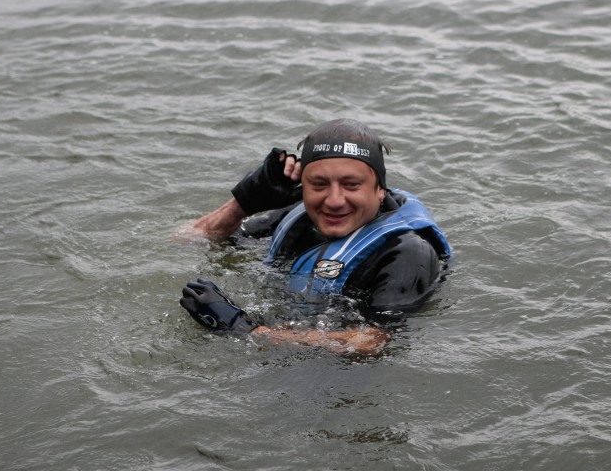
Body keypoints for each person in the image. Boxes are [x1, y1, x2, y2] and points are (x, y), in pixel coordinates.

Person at [176, 118, 452, 355]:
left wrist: (245, 330)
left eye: (351, 185)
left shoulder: (407, 251)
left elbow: (373, 342)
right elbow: (188, 239)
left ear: (379, 189)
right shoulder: (300, 215)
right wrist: (244, 203)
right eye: (319, 185)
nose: (334, 201)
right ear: (304, 186)